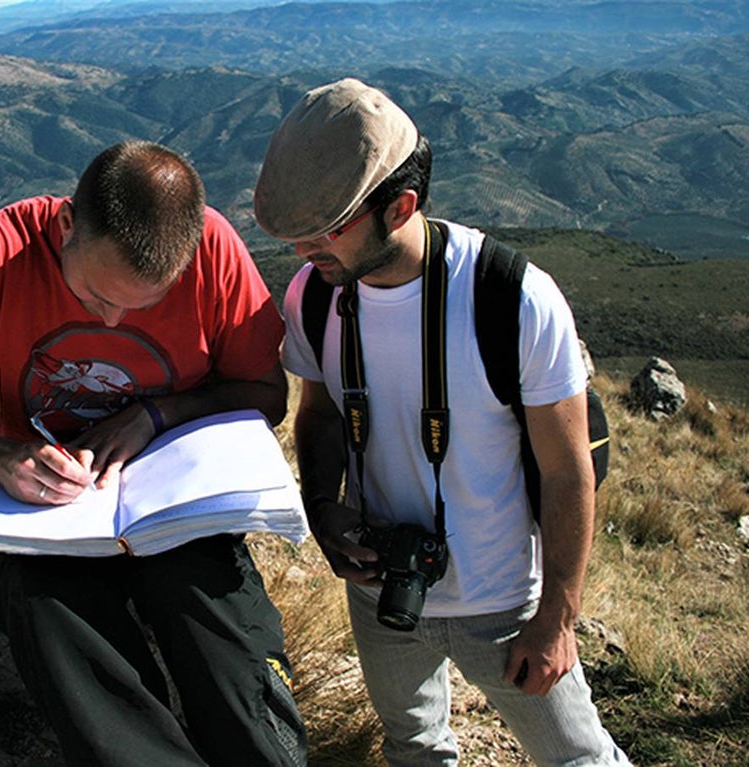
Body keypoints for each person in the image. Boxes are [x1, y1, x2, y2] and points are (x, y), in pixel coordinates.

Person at [0, 140, 307, 766]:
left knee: (222, 635)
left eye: (141, 304)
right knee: (45, 612)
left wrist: (155, 415)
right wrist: (0, 459)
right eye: (96, 296)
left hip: (176, 505)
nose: (113, 322)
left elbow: (267, 395)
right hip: (56, 515)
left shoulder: (211, 248)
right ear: (65, 225)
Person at [253, 78, 631, 765]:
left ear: (401, 206)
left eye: (327, 228)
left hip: (503, 599)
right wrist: (322, 510)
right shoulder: (316, 294)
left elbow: (567, 467)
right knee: (416, 747)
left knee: (578, 757)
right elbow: (322, 415)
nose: (306, 249)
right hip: (381, 588)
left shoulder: (511, 298)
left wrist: (557, 619)